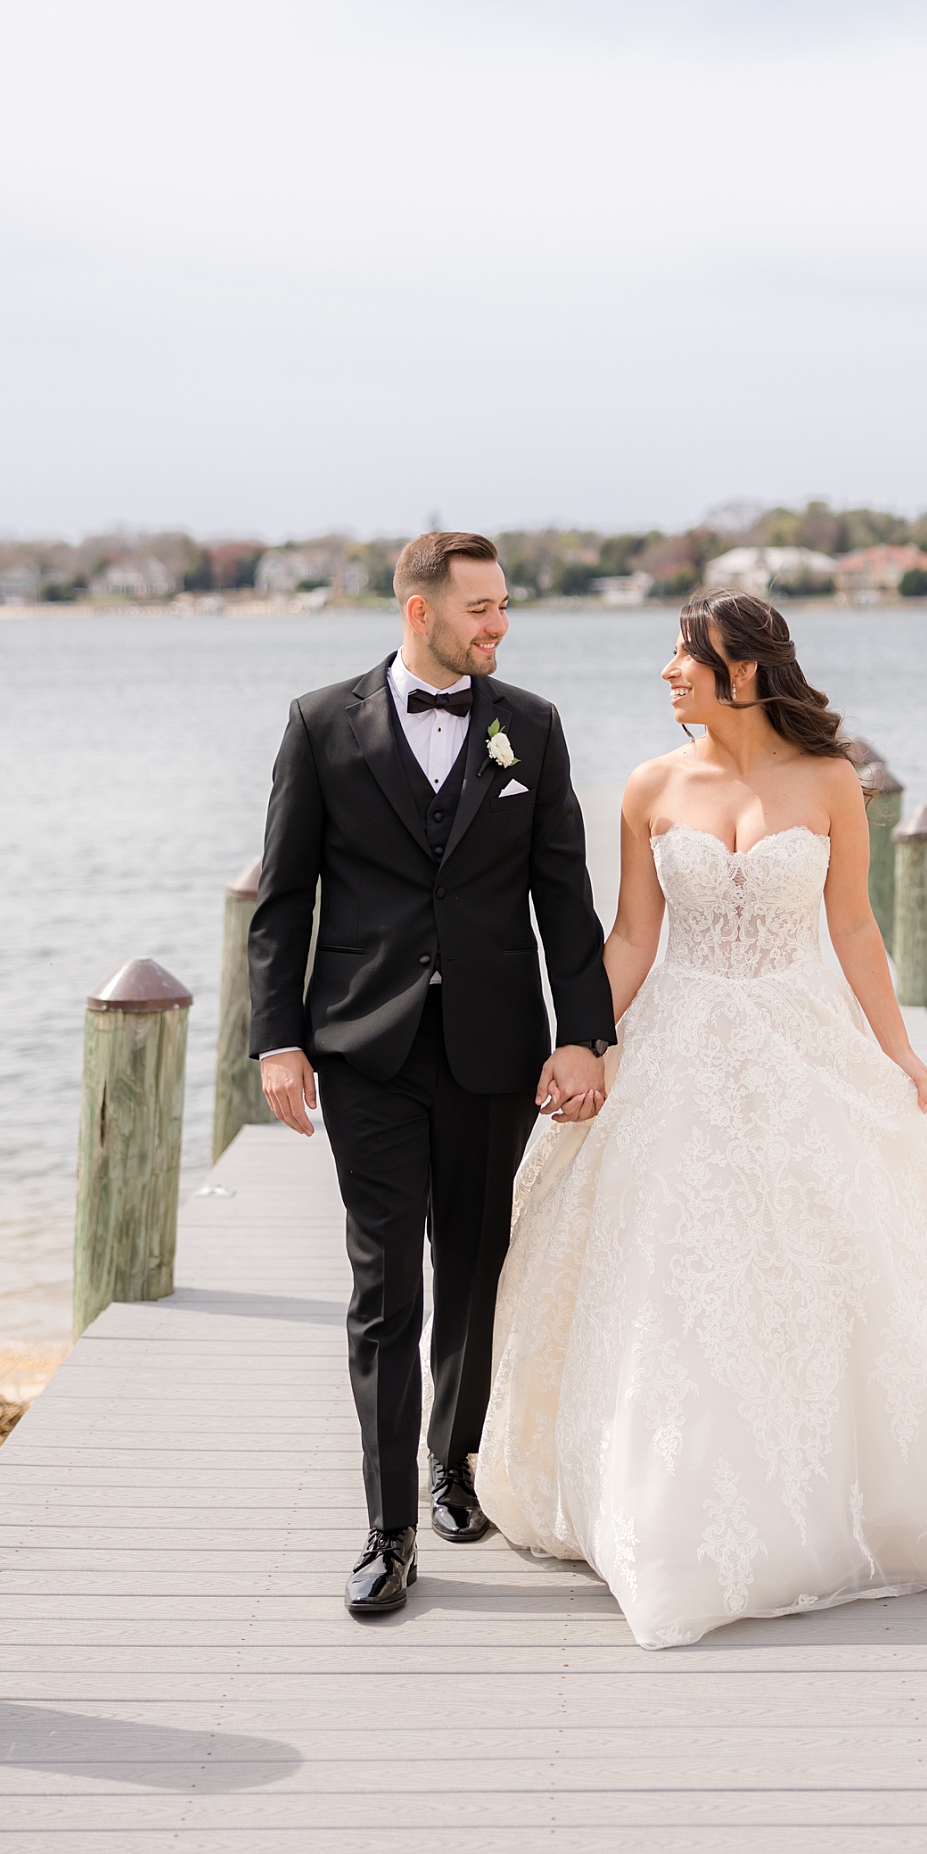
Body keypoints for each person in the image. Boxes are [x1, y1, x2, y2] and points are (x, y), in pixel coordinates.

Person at [476, 587, 927, 1649]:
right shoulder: (651, 786)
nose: (665, 671)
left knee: (817, 1254)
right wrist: (578, 1041)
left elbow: (851, 926)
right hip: (679, 1046)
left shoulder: (832, 780)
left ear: (741, 671)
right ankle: (680, 1498)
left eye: (683, 655)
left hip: (804, 1041)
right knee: (679, 1266)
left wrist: (895, 1049)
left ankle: (833, 1475)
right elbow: (629, 941)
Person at [249, 531, 615, 1617]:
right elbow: (284, 900)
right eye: (481, 609)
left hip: (495, 1049)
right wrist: (276, 1040)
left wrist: (582, 1033)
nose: (498, 626)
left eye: (502, 607)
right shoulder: (321, 724)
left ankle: (454, 1464)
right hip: (365, 1047)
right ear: (421, 612)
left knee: (473, 1268)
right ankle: (387, 1530)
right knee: (382, 1291)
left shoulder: (531, 729)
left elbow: (564, 898)